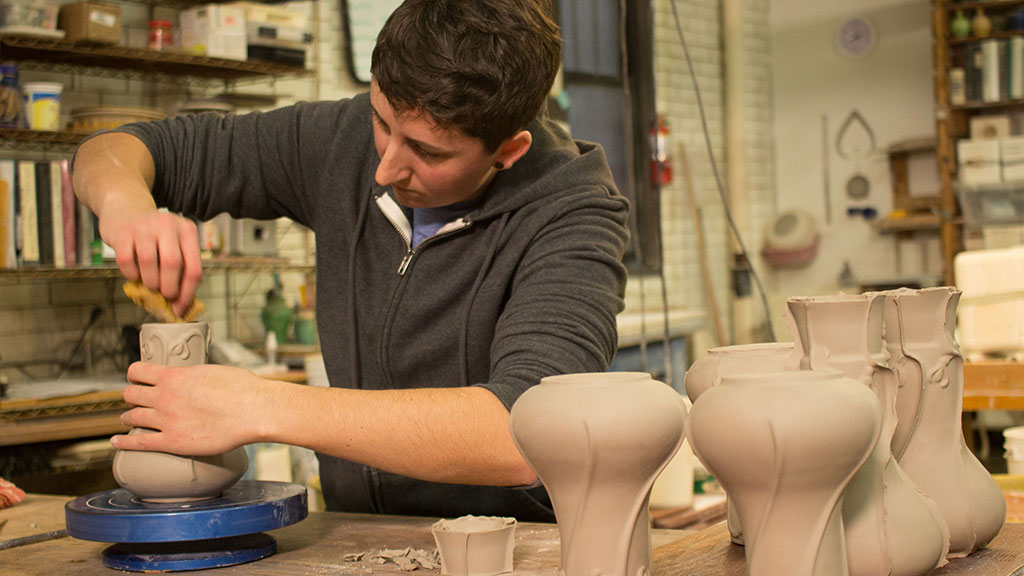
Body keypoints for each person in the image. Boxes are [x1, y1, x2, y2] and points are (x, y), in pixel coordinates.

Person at [72, 0, 629, 521]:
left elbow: (524, 433)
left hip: (518, 548)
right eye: (382, 121)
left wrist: (260, 405)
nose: (385, 169)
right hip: (359, 540)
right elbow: (119, 149)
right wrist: (126, 205)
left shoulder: (573, 211)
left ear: (510, 150)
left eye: (428, 152)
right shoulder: (339, 140)